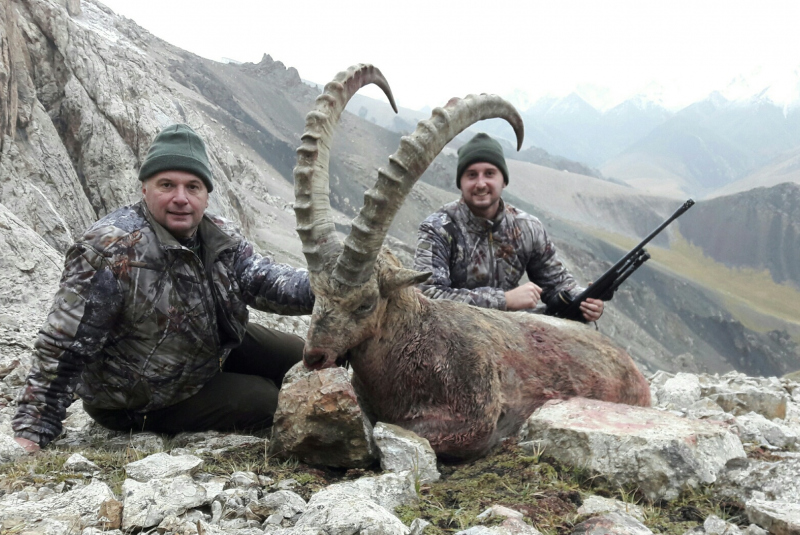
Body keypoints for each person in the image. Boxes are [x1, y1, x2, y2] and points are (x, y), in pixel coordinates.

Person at [13, 124, 314, 453]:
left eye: (193, 187)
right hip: (139, 397)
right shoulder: (109, 250)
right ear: (145, 189)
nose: (181, 198)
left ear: (206, 194)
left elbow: (264, 279)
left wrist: (330, 288)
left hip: (205, 351)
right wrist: (35, 426)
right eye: (167, 185)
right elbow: (63, 343)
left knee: (303, 355)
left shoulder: (218, 235)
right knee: (269, 400)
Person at [413, 132, 603, 321]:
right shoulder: (437, 229)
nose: (480, 184)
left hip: (513, 330)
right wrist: (504, 300)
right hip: (453, 332)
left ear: (503, 180)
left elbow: (558, 284)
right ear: (460, 184)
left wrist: (584, 300)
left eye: (489, 173)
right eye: (471, 175)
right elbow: (427, 295)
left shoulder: (528, 227)